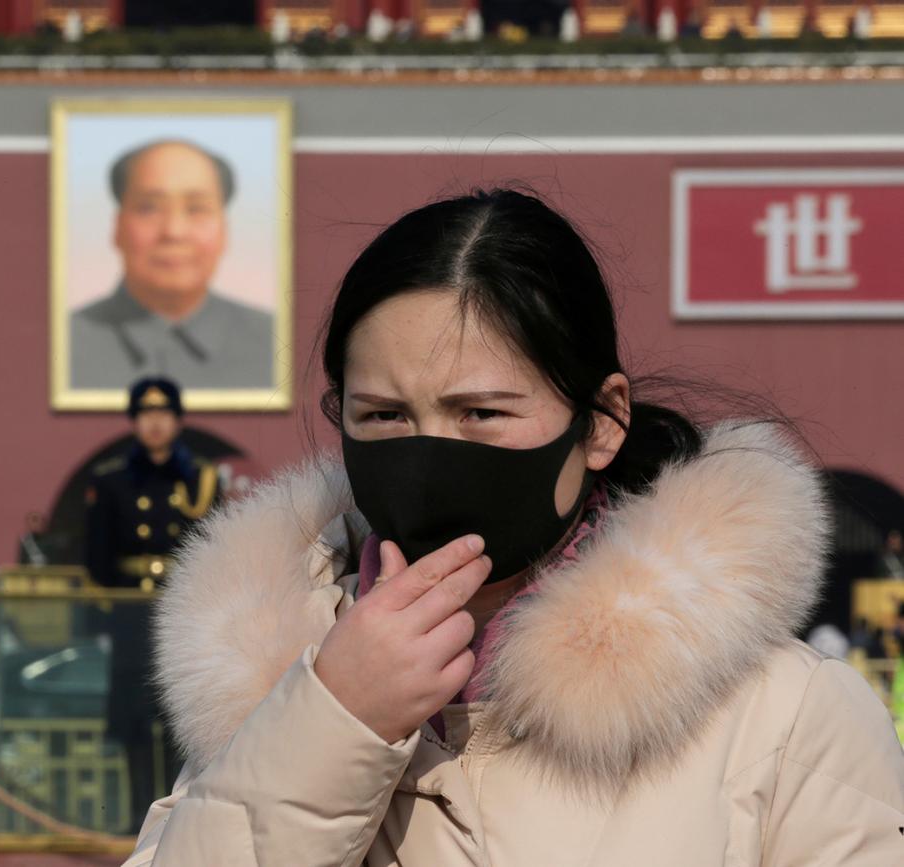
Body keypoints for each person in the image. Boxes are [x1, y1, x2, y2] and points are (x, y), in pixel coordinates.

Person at [123, 190, 904, 863]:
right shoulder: (278, 684)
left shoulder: (785, 712)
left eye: (482, 413)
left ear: (600, 423)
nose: (429, 455)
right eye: (384, 416)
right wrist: (333, 721)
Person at [85, 376, 221, 831]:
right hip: (131, 616)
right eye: (145, 415)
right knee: (135, 718)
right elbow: (96, 559)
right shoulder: (112, 482)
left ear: (178, 420)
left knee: (180, 713)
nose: (155, 424)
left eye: (164, 414)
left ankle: (182, 813)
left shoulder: (199, 477)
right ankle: (138, 814)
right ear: (134, 422)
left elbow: (213, 547)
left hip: (181, 610)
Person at [69, 139, 275, 391]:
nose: (174, 231)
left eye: (197, 208)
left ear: (225, 229)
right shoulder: (65, 341)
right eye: (149, 208)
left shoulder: (274, 341)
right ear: (117, 227)